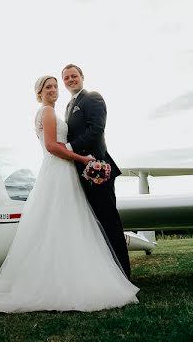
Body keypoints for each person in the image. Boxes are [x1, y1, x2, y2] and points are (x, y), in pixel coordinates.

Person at [0, 75, 138, 313]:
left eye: (56, 86)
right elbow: (52, 147)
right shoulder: (46, 112)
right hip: (59, 170)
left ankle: (69, 271)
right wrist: (82, 158)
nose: (54, 89)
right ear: (40, 92)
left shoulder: (57, 111)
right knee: (63, 222)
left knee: (66, 223)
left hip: (63, 172)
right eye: (49, 87)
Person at [62, 63, 132, 278]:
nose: (70, 80)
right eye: (66, 78)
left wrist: (69, 149)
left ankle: (123, 273)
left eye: (74, 76)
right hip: (80, 170)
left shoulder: (93, 98)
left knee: (109, 220)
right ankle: (104, 273)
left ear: (82, 77)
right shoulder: (68, 105)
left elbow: (96, 130)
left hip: (98, 168)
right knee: (94, 223)